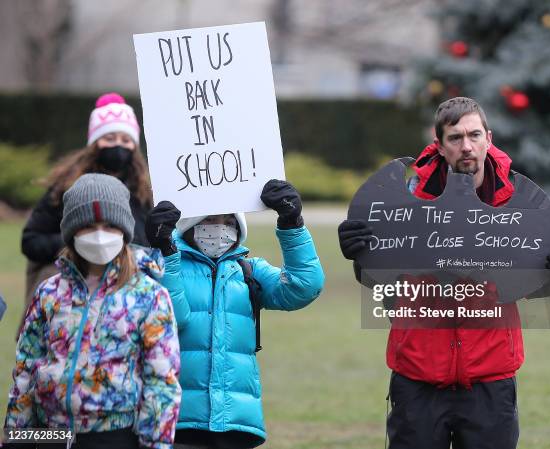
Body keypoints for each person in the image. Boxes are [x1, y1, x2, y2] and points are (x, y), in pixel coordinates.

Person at [338, 97, 550, 449]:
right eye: (455, 137)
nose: (466, 146)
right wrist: (361, 257)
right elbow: (381, 284)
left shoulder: (518, 207)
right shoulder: (404, 206)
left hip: (489, 378)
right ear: (439, 145)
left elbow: (533, 288)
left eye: (474, 135)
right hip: (418, 376)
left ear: (488, 139)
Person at [145, 179, 325, 449]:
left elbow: (303, 287)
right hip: (178, 420)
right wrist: (166, 253)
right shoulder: (167, 266)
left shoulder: (248, 271)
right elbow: (171, 317)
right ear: (189, 226)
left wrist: (292, 224)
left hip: (236, 422)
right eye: (210, 220)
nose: (219, 228)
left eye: (229, 221)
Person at [5, 174, 181, 449]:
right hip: (51, 434)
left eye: (110, 225)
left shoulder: (149, 295)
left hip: (115, 436)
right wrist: (17, 438)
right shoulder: (49, 292)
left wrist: (156, 444)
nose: (100, 235)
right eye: (89, 226)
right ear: (72, 231)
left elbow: (161, 381)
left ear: (124, 230)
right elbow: (26, 367)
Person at [20, 92, 152, 312]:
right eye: (109, 138)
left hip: (127, 301)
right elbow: (32, 241)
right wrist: (79, 244)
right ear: (95, 142)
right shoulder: (66, 188)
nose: (117, 145)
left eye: (125, 139)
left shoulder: (144, 194)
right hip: (73, 299)